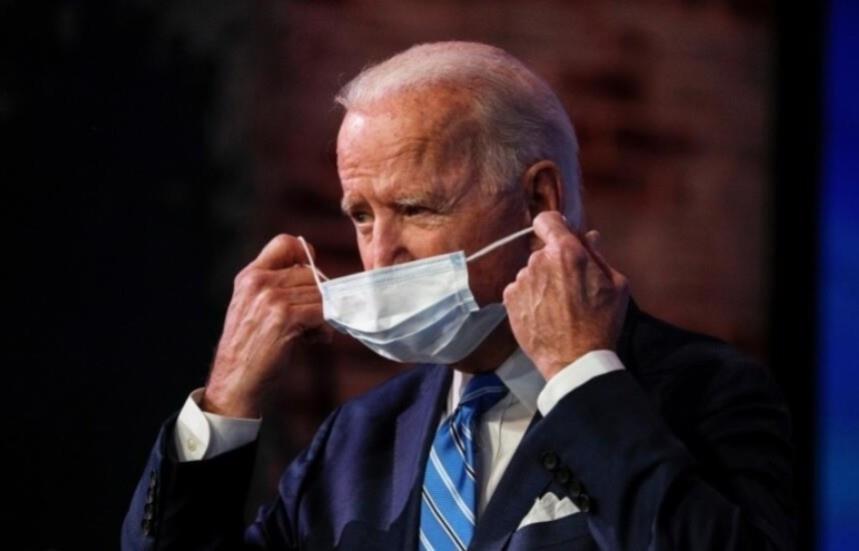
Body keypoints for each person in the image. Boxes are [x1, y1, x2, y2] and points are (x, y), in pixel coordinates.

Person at [122, 42, 794, 550]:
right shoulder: (356, 440)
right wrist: (227, 403)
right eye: (361, 214)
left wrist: (581, 377)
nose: (379, 253)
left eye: (414, 208)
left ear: (538, 199)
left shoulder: (704, 393)